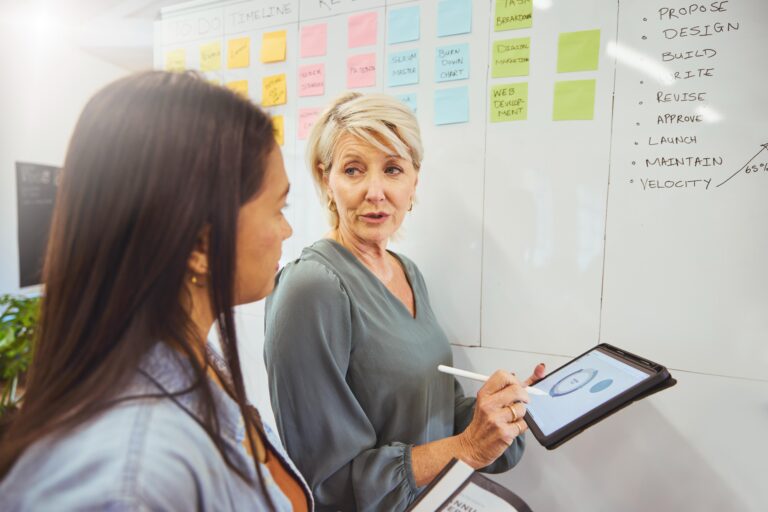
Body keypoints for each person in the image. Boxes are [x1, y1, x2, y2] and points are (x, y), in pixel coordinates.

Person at [0, 71, 311, 511]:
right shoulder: (128, 481)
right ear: (201, 245)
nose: (287, 229)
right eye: (278, 208)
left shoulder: (195, 362)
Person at [264, 92, 545, 511]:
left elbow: (437, 408)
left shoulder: (406, 270)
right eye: (354, 169)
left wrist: (498, 411)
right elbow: (326, 482)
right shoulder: (312, 288)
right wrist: (466, 446)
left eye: (392, 169)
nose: (375, 191)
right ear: (327, 180)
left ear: (414, 180)